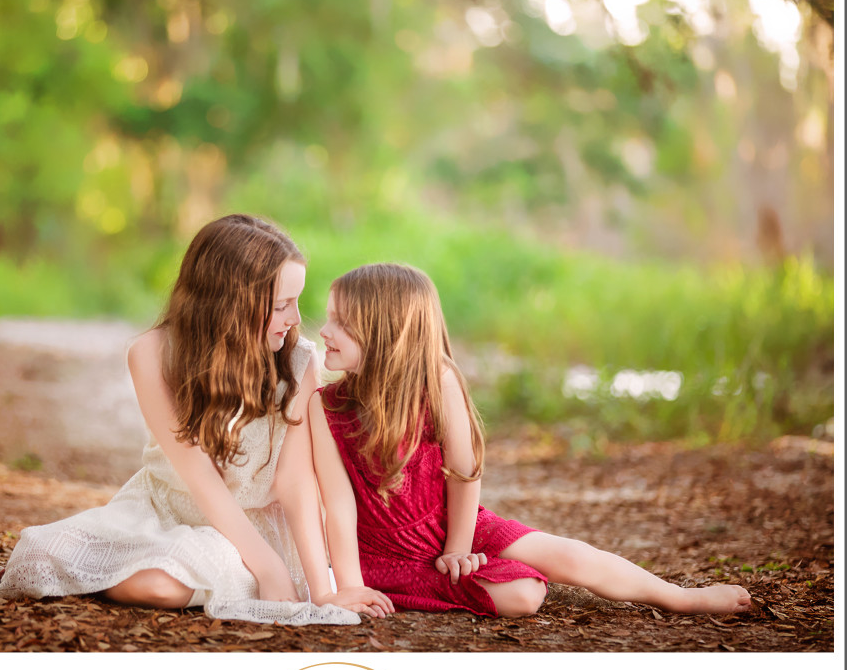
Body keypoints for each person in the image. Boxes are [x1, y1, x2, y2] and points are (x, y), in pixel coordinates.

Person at [0, 214, 394, 625]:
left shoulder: (298, 361)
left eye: (296, 301)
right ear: (229, 303)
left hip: (250, 528)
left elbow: (294, 482)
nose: (295, 318)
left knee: (162, 586)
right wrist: (269, 572)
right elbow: (197, 475)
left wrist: (320, 588)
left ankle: (203, 572)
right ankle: (126, 567)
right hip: (166, 509)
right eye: (280, 306)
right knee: (45, 554)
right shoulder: (151, 354)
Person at [309, 262, 752, 618]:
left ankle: (679, 596)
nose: (325, 331)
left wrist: (458, 547)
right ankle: (416, 586)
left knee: (569, 556)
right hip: (384, 552)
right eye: (329, 317)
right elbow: (339, 504)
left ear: (388, 332)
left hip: (453, 523)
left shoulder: (438, 382)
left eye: (341, 322)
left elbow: (463, 473)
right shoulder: (325, 405)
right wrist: (351, 586)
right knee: (523, 594)